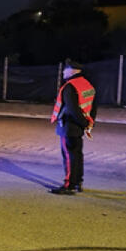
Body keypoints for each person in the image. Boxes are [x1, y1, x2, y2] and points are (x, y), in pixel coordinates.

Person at [50, 59, 97, 195]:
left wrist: (83, 123)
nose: (63, 72)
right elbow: (93, 106)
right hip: (79, 126)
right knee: (77, 155)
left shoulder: (69, 87)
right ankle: (78, 182)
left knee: (69, 155)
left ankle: (69, 185)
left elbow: (72, 109)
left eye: (65, 70)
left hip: (69, 126)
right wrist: (88, 123)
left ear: (72, 71)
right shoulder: (87, 85)